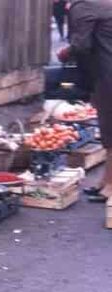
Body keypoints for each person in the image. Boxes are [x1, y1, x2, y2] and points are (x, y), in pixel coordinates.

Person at [58, 0, 112, 203]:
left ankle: (110, 186)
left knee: (110, 132)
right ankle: (106, 181)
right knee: (109, 132)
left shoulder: (83, 6)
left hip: (107, 76)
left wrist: (65, 53)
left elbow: (81, 45)